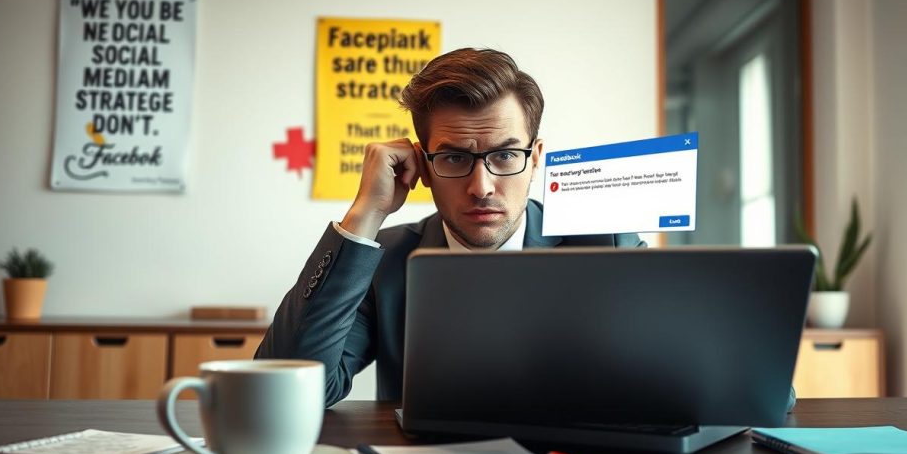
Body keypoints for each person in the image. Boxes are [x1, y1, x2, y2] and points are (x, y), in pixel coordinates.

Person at [255, 48, 644, 407]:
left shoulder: (607, 244)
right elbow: (283, 393)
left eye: (506, 155)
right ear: (423, 167)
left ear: (536, 157)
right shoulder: (386, 264)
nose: (481, 187)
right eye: (455, 158)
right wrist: (365, 214)